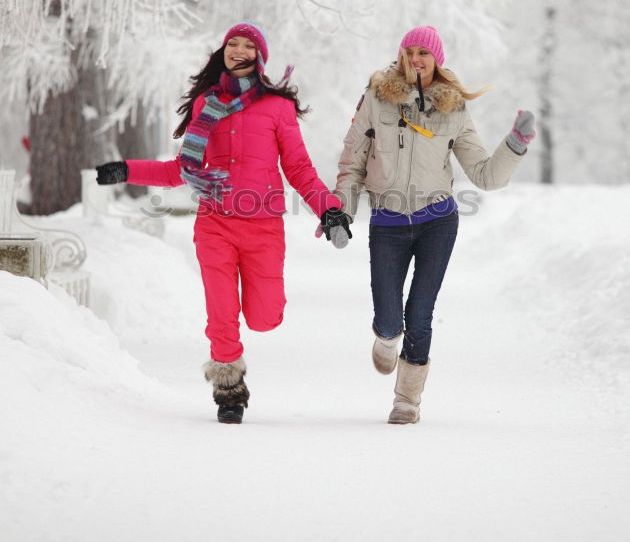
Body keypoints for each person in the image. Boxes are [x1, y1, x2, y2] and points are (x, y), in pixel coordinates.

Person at [96, 22, 351, 424]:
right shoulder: (206, 105)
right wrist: (126, 170)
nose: (237, 49)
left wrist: (329, 209)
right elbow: (181, 169)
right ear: (224, 51)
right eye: (232, 43)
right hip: (214, 223)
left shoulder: (277, 107)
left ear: (259, 57)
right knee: (221, 312)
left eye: (247, 45)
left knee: (265, 317)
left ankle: (245, 347)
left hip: (263, 226)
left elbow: (299, 168)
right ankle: (228, 387)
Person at [334, 26, 535, 425]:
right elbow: (352, 161)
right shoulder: (376, 98)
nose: (416, 59)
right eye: (410, 52)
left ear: (437, 60)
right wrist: (341, 210)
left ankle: (407, 400)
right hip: (388, 223)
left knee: (421, 313)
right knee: (391, 319)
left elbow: (483, 174)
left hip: (437, 222)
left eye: (424, 53)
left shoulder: (453, 107)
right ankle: (386, 336)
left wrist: (514, 144)